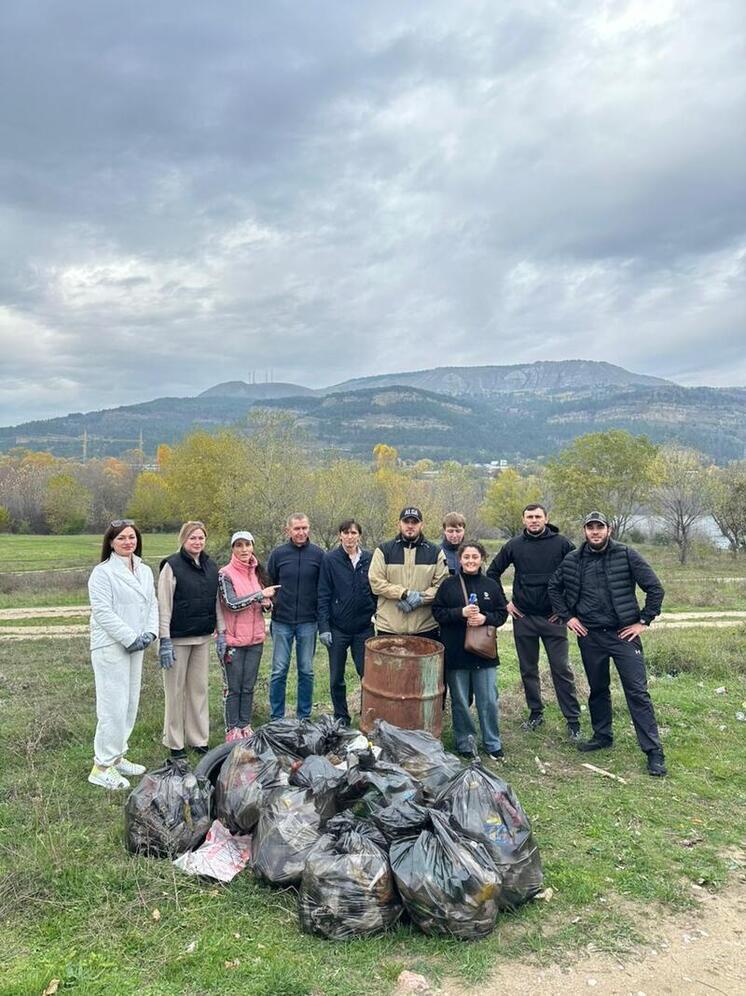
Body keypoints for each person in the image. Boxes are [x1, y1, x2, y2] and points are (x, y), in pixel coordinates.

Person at [548, 511, 667, 777]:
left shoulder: (626, 555)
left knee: (637, 691)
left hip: (623, 634)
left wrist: (644, 621)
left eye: (599, 527)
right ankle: (603, 735)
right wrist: (568, 617)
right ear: (585, 531)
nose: (595, 532)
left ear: (608, 530)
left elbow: (654, 588)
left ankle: (653, 751)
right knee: (598, 688)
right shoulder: (573, 559)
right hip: (590, 636)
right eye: (590, 528)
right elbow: (553, 588)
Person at [487, 503, 582, 741]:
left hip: (554, 619)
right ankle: (535, 712)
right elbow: (492, 573)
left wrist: (565, 610)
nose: (534, 520)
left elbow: (578, 575)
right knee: (528, 669)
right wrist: (505, 603)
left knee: (561, 669)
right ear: (523, 521)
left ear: (546, 519)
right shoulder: (514, 545)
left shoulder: (562, 544)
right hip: (524, 618)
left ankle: (573, 720)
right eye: (529, 517)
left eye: (538, 516)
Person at [87, 519, 158, 790]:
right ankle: (101, 766)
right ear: (111, 543)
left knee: (129, 702)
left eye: (131, 537)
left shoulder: (144, 569)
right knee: (112, 706)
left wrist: (149, 633)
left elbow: (152, 603)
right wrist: (129, 637)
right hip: (111, 646)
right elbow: (103, 612)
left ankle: (117, 756)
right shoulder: (102, 573)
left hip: (137, 644)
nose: (128, 542)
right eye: (121, 539)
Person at [433, 541, 509, 759]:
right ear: (459, 559)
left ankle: (492, 742)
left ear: (482, 559)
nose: (470, 561)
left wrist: (486, 618)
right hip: (456, 651)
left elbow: (502, 614)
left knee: (488, 700)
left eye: (475, 557)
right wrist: (461, 613)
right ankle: (465, 742)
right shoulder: (449, 585)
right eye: (466, 557)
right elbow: (437, 613)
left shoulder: (491, 585)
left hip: (484, 653)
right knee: (460, 701)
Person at [158, 521, 219, 758]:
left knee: (198, 690)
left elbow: (216, 603)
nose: (197, 542)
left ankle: (198, 738)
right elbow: (164, 605)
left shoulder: (211, 566)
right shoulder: (171, 566)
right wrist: (164, 639)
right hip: (177, 639)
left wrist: (220, 633)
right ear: (184, 540)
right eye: (193, 538)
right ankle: (175, 742)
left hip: (202, 637)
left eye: (201, 538)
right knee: (174, 691)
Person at [216, 531, 280, 742]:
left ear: (253, 546)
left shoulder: (256, 573)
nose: (244, 550)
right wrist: (260, 595)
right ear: (233, 549)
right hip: (233, 640)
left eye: (247, 545)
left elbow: (259, 604)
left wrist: (266, 604)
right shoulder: (225, 574)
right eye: (239, 545)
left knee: (248, 686)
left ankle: (245, 724)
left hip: (255, 639)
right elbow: (232, 604)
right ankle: (231, 728)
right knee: (233, 687)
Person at [317, 519, 376, 726]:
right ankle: (341, 716)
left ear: (359, 535)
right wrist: (324, 627)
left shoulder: (370, 558)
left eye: (353, 533)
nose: (350, 537)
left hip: (363, 628)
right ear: (339, 535)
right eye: (345, 533)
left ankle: (367, 715)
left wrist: (375, 612)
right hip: (338, 628)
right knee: (336, 677)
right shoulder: (330, 559)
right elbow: (323, 594)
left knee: (367, 675)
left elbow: (376, 589)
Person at [266, 513, 325, 720]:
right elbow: (268, 583)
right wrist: (273, 604)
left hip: (308, 622)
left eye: (305, 528)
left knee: (306, 671)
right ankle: (277, 717)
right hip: (282, 620)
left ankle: (304, 717)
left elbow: (323, 587)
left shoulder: (319, 555)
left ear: (309, 529)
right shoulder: (278, 555)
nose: (301, 532)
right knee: (279, 670)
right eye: (297, 528)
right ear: (288, 531)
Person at [368, 506, 449, 639]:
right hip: (389, 628)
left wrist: (420, 598)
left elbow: (441, 586)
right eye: (406, 522)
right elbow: (376, 582)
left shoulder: (435, 552)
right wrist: (404, 594)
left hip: (425, 628)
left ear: (421, 525)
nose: (410, 526)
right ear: (399, 524)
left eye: (414, 522)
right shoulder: (384, 550)